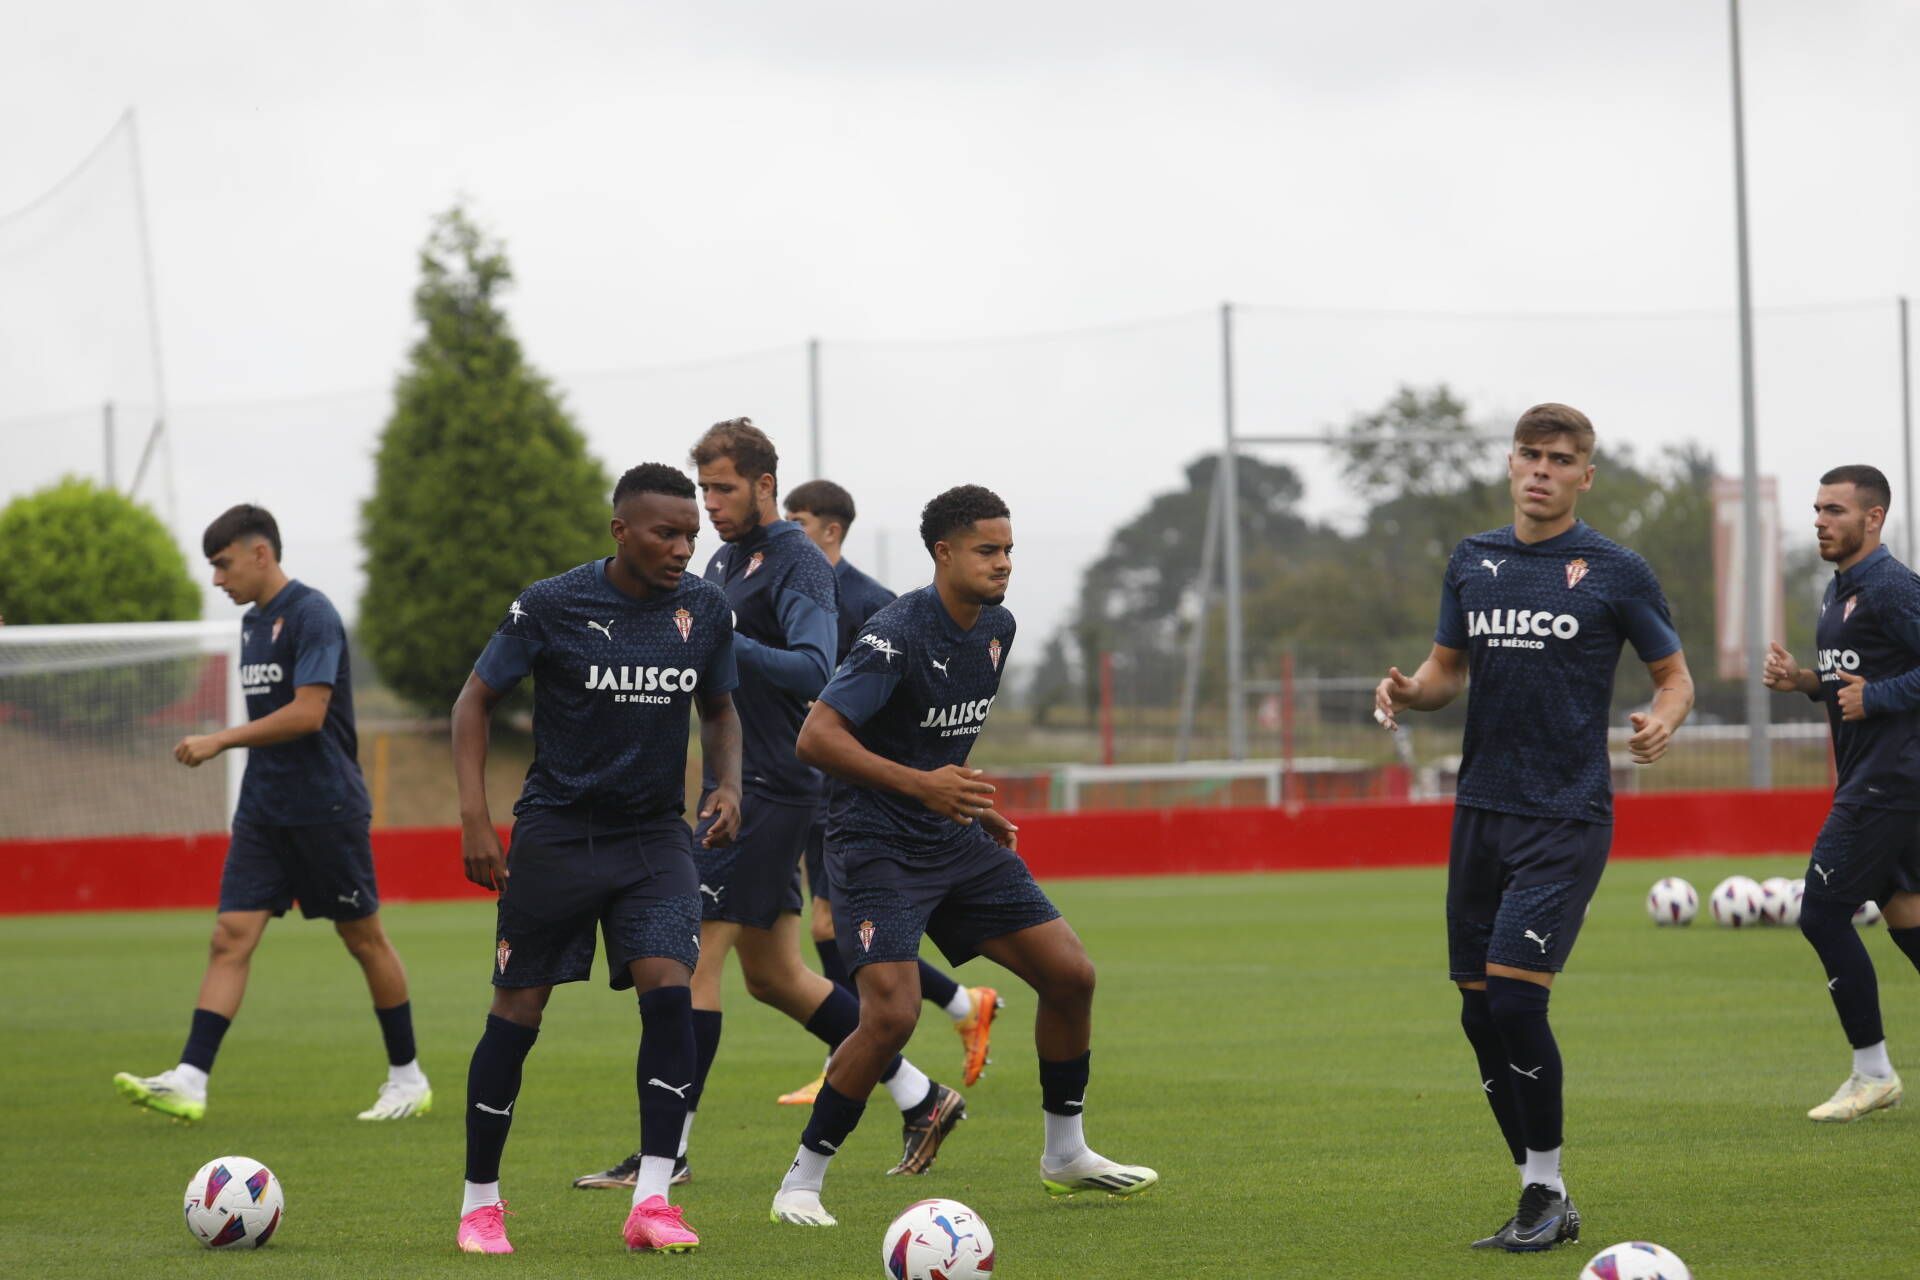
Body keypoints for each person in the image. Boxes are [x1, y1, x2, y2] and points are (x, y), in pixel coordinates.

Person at [575, 423, 962, 1194]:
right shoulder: (723, 559)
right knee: (778, 975)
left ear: (762, 484)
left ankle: (669, 1153)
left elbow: (816, 667)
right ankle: (921, 1096)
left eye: (722, 488)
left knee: (691, 960)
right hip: (739, 784)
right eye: (704, 488)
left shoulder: (793, 559)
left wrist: (716, 634)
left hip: (770, 788)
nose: (709, 504)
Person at [769, 484, 1157, 1227]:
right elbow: (816, 737)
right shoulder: (895, 633)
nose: (1003, 563)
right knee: (891, 1015)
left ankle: (1065, 1155)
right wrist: (925, 788)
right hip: (873, 845)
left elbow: (937, 742)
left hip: (948, 837)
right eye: (988, 550)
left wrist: (974, 809)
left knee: (1071, 974)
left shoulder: (997, 629)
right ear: (943, 553)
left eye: (1009, 549)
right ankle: (801, 1183)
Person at [1373, 404, 1694, 1254]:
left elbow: (1675, 677)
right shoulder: (1473, 561)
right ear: (1510, 464)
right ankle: (1539, 1190)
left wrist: (1665, 717)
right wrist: (1411, 691)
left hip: (1566, 814)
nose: (1542, 469)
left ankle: (1545, 1191)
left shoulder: (1617, 571)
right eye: (1530, 455)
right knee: (1479, 1013)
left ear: (1586, 475)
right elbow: (1447, 673)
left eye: (1561, 459)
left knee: (1517, 997)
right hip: (1480, 813)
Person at [449, 464, 741, 1255]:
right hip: (556, 834)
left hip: (654, 838)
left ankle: (652, 1200)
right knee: (518, 1013)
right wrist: (476, 817)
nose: (683, 547)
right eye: (666, 533)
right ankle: (481, 1204)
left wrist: (728, 785)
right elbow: (473, 700)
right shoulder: (552, 603)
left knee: (670, 991)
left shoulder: (706, 609)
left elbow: (719, 705)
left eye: (691, 534)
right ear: (621, 531)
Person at [114, 504, 429, 1124]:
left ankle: (407, 1078)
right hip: (264, 809)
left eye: (223, 564)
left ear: (261, 553)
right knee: (229, 936)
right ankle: (190, 1079)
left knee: (362, 938)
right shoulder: (253, 624)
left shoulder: (312, 614)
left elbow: (310, 713)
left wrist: (219, 739)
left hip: (325, 808)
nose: (216, 579)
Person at [778, 477, 999, 1108]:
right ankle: (952, 1008)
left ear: (831, 530)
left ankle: (863, 1054)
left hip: (860, 796)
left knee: (831, 926)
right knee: (827, 928)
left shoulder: (875, 605)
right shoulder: (791, 588)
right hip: (814, 780)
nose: (788, 533)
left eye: (798, 521)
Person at [1762, 464, 1920, 1123]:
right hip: (1878, 779)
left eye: (1834, 510)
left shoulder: (1889, 587)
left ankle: (1872, 1073)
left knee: (1822, 913)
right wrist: (1804, 680)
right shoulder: (1839, 592)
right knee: (1909, 921)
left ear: (1873, 518)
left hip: (1890, 781)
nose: (1820, 520)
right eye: (1817, 509)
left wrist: (1876, 697)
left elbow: (1875, 690)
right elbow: (1852, 680)